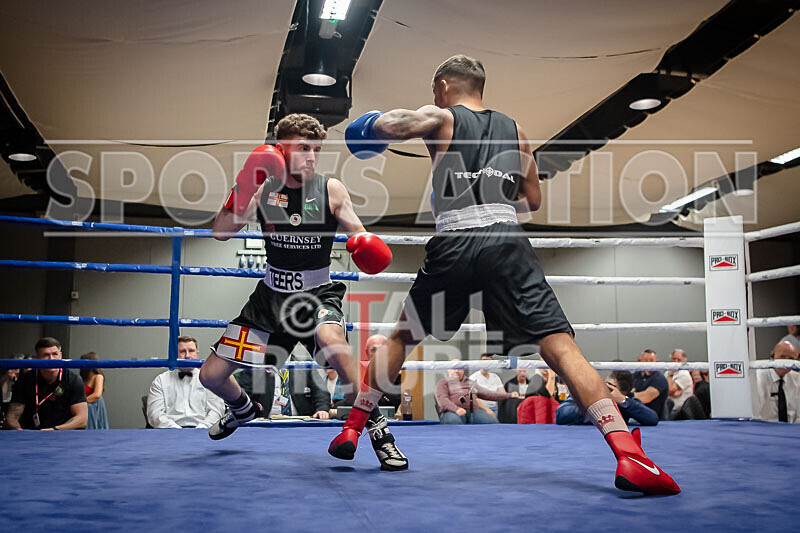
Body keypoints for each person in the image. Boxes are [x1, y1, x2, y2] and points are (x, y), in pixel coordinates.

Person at [329, 55, 680, 495]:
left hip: (454, 241)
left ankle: (352, 430)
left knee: (402, 339)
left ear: (442, 86)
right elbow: (532, 200)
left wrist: (370, 125)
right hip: (506, 241)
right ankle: (630, 456)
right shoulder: (516, 131)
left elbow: (398, 124)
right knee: (561, 348)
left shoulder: (441, 115)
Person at [198, 113, 407, 471]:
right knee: (211, 376)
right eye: (302, 148)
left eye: (316, 149)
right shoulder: (263, 187)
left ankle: (380, 433)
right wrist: (245, 183)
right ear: (279, 149)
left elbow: (358, 230)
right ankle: (243, 408)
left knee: (335, 347)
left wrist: (364, 243)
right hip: (269, 300)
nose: (310, 156)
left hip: (316, 295)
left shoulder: (331, 188)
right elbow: (221, 232)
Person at [4, 337, 87, 430]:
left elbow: (82, 419)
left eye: (55, 354)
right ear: (37, 358)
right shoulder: (26, 379)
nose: (51, 359)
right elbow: (12, 417)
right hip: (32, 435)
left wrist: (54, 430)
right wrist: (21, 433)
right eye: (46, 355)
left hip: (63, 435)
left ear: (60, 356)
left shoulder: (73, 380)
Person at [147, 336, 225, 428]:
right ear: (175, 355)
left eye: (191, 351)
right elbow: (155, 415)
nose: (187, 356)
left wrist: (201, 428)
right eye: (182, 351)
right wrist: (176, 431)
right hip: (169, 432)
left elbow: (216, 411)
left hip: (203, 431)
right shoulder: (161, 380)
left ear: (197, 354)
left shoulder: (209, 379)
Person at [556, 371, 658, 427]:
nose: (604, 389)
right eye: (605, 384)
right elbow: (560, 415)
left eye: (610, 387)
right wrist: (590, 404)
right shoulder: (588, 391)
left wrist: (623, 400)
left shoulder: (626, 401)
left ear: (623, 392)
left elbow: (652, 418)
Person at [434, 361, 518, 424]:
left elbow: (487, 393)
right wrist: (456, 409)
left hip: (473, 412)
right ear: (449, 370)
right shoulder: (443, 383)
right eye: (454, 368)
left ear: (463, 370)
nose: (457, 371)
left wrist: (509, 395)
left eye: (459, 368)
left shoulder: (470, 382)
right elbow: (443, 400)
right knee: (454, 423)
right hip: (452, 412)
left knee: (492, 423)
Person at [753, 340, 799, 423]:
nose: (786, 362)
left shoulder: (797, 379)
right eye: (782, 357)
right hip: (765, 429)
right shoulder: (757, 378)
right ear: (772, 356)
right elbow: (754, 414)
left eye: (791, 358)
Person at [632, 349, 669, 419]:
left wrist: (624, 397)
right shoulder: (635, 376)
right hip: (637, 416)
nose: (648, 363)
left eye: (651, 360)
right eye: (646, 360)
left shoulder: (659, 378)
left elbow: (646, 398)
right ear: (641, 361)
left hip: (656, 420)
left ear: (656, 362)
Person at [80, 352, 109, 429]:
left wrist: (81, 403)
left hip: (94, 409)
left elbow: (97, 394)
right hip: (85, 409)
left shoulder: (98, 376)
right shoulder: (84, 379)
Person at [665, 349, 693, 419]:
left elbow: (670, 390)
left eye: (679, 359)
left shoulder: (684, 374)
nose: (676, 361)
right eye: (674, 359)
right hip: (668, 408)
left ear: (684, 361)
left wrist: (670, 376)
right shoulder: (667, 372)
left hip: (678, 411)